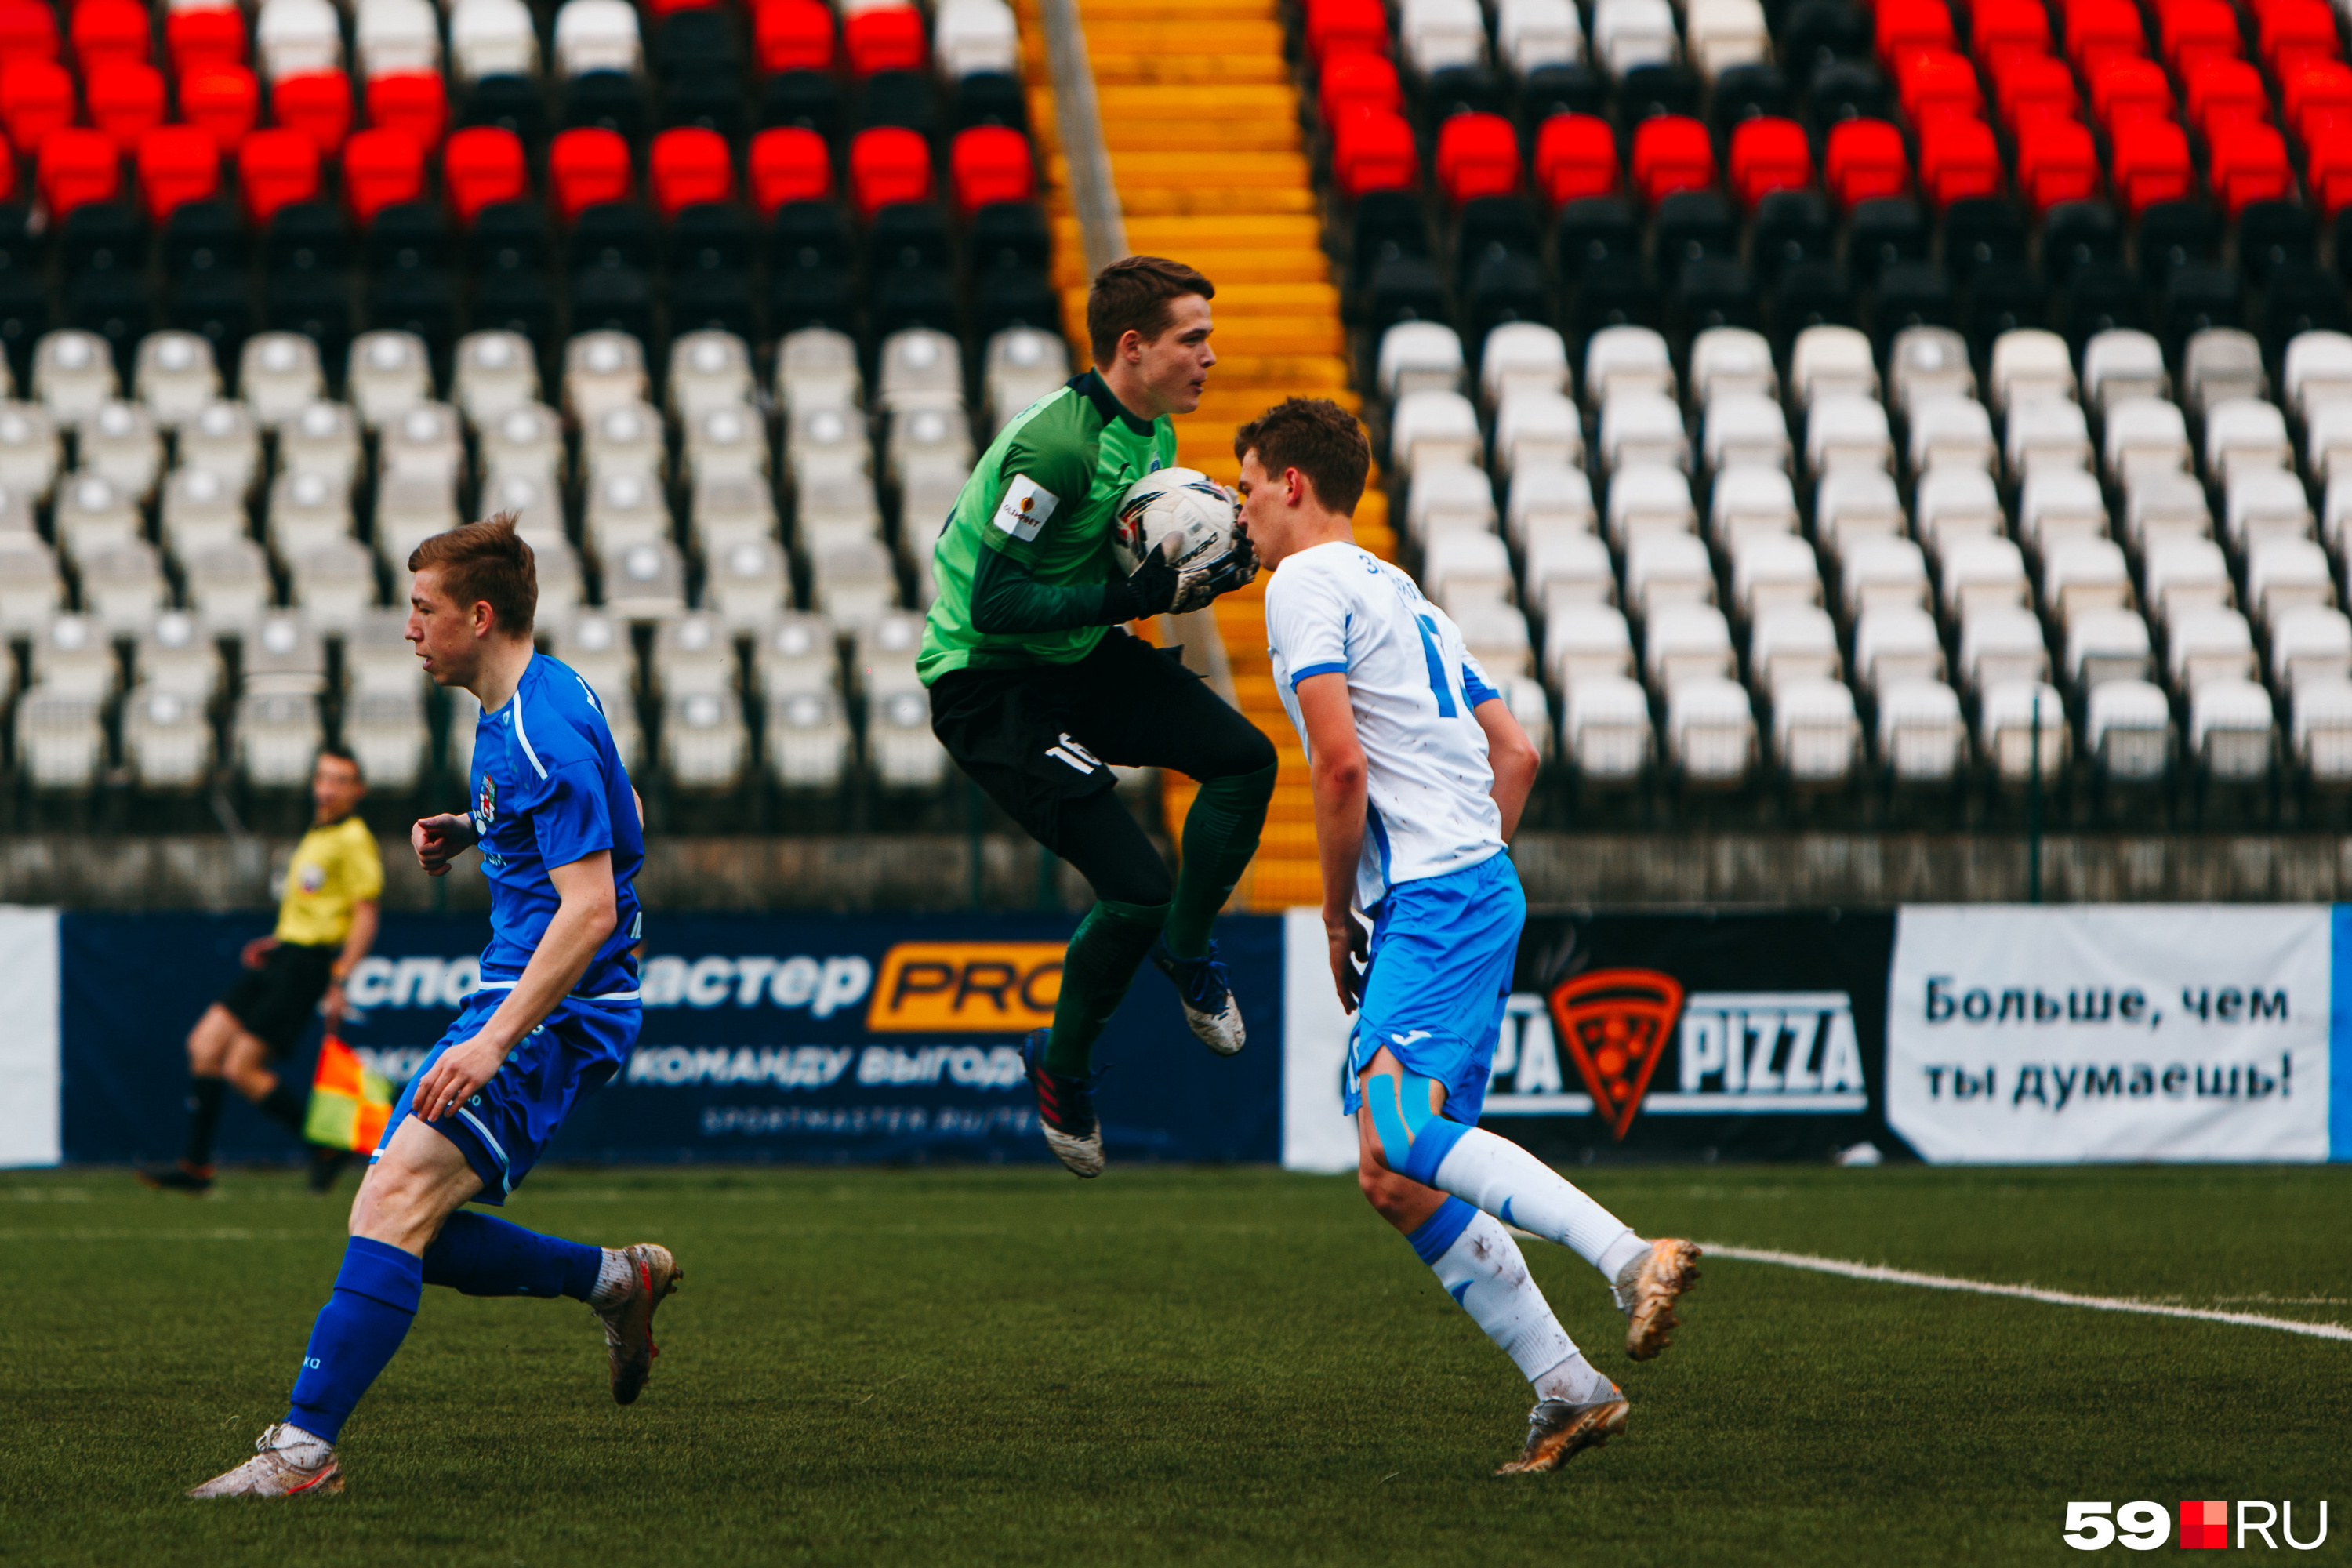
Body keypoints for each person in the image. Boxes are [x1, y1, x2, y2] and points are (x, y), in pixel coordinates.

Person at [1238, 398, 1702, 1475]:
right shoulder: (1405, 593)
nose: (1244, 507)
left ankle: (1629, 1257)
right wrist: (1466, 869)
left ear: (1293, 485)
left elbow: (1340, 766)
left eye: (1250, 483)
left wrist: (1342, 906)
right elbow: (1519, 757)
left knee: (1398, 1132)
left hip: (1436, 896)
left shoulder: (1303, 584)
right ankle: (1569, 1388)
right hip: (1467, 884)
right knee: (1393, 1173)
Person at [189, 515, 677, 1499]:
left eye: (423, 609)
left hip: (554, 1006)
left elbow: (586, 910)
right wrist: (474, 827)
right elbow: (609, 827)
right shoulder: (537, 698)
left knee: (393, 1201)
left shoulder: (542, 731)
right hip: (524, 988)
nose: (409, 628)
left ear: (479, 615)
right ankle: (616, 1279)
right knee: (405, 1218)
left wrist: (497, 1042)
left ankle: (302, 1453)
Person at [921, 255, 1276, 1178]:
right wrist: (1132, 599)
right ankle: (1062, 1063)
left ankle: (1189, 955)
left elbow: (1114, 571)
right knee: (1136, 887)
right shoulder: (1058, 448)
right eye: (1192, 338)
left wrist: (1197, 572)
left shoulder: (1151, 435)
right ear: (1133, 346)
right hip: (989, 685)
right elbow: (995, 604)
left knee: (1246, 759)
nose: (1210, 355)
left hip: (1075, 660)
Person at [141, 748, 384, 1196]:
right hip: (285, 955)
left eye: (340, 780)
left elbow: (365, 915)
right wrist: (278, 942)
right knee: (204, 1045)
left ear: (358, 790)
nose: (327, 788)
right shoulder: (318, 834)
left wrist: (340, 977)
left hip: (308, 965)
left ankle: (325, 1148)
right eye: (323, 778)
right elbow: (317, 906)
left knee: (242, 1067)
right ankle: (196, 1166)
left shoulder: (353, 839)